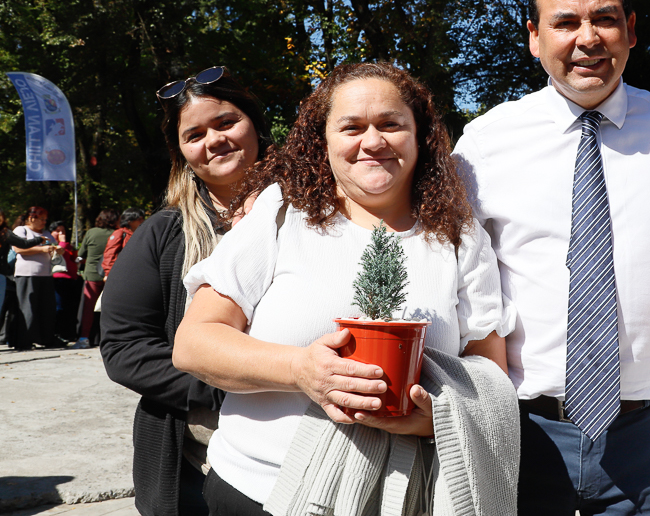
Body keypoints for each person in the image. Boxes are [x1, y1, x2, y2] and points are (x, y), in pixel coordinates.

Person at [452, 0, 650, 516]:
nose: (587, 38)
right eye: (565, 22)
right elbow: (446, 262)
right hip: (524, 431)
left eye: (605, 19)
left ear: (630, 30)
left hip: (649, 438)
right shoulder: (486, 144)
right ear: (534, 37)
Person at [172, 62, 515, 515]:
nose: (372, 142)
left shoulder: (459, 235)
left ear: (420, 135)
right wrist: (300, 369)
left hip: (400, 499)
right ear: (323, 140)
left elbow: (488, 375)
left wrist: (436, 419)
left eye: (390, 124)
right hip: (258, 492)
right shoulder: (281, 214)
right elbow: (194, 343)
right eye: (351, 127)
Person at [101, 66, 273, 516]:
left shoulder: (319, 218)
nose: (214, 140)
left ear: (256, 124)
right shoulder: (163, 234)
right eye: (194, 134)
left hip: (305, 452)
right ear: (181, 152)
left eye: (226, 122)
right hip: (196, 466)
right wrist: (229, 386)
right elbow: (124, 349)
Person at [9, 206, 60, 350]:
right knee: (28, 308)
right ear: (31, 218)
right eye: (41, 219)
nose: (44, 222)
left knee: (46, 308)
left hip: (46, 275)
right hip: (27, 274)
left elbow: (53, 247)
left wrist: (58, 249)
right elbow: (18, 249)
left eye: (45, 219)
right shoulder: (21, 230)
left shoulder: (46, 233)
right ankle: (24, 340)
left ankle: (45, 338)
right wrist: (41, 249)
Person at [0, 207, 47, 346]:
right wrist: (40, 240)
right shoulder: (6, 232)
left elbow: (23, 244)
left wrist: (38, 240)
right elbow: (22, 246)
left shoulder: (4, 233)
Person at [75, 209, 117, 348]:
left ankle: (84, 338)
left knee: (88, 309)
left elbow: (81, 253)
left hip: (92, 274)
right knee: (109, 308)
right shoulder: (117, 234)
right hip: (110, 274)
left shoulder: (91, 232)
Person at [48, 220, 82, 343]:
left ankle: (68, 333)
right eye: (58, 231)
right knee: (59, 307)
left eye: (63, 231)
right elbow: (57, 255)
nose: (61, 233)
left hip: (71, 279)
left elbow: (72, 258)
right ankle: (57, 333)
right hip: (58, 279)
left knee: (69, 308)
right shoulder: (51, 244)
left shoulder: (67, 246)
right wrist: (62, 242)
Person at [101, 208, 145, 277]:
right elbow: (110, 255)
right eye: (139, 219)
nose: (142, 221)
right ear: (129, 221)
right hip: (121, 274)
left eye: (143, 219)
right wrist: (109, 274)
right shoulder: (119, 233)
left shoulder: (141, 234)